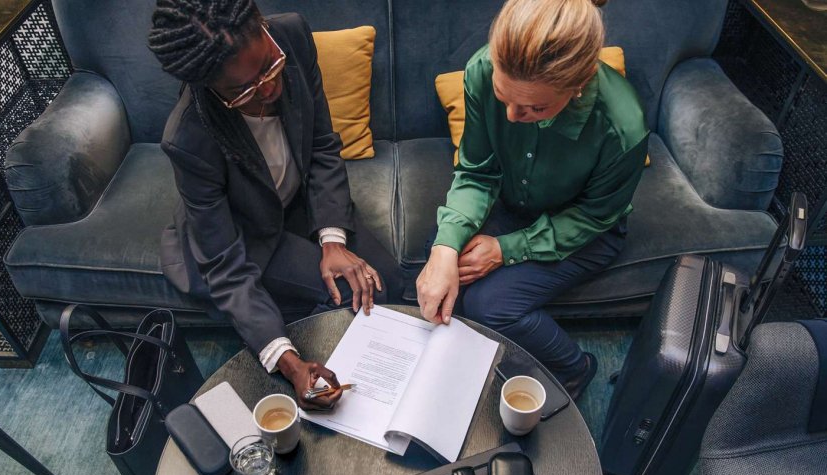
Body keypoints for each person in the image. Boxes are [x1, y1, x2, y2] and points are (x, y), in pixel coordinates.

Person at [147, 0, 402, 409]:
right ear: (209, 87)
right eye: (242, 90)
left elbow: (320, 145)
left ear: (265, 27)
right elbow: (226, 267)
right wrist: (289, 363)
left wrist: (332, 241)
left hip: (299, 202)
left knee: (386, 284)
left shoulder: (292, 37)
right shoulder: (189, 139)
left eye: (270, 66)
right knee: (344, 299)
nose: (268, 89)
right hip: (244, 234)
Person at [417, 0, 648, 400]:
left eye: (534, 108)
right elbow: (477, 172)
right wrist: (444, 247)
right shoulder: (482, 68)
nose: (509, 117)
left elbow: (596, 216)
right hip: (513, 206)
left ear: (580, 82)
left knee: (491, 304)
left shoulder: (623, 126)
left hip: (587, 228)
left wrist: (505, 250)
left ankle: (574, 369)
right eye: (503, 97)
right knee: (441, 266)